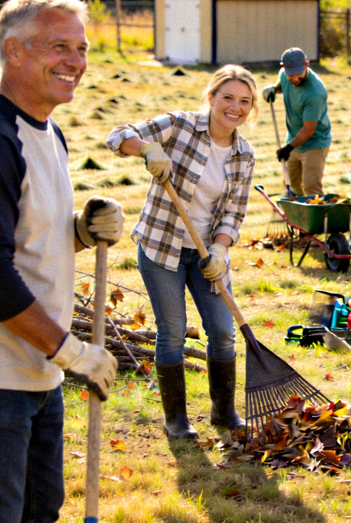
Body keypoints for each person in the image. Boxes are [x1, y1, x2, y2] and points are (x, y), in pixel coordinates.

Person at [0, 0, 123, 522]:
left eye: (82, 49)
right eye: (59, 47)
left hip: (37, 369)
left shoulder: (47, 130)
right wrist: (72, 352)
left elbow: (28, 241)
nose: (76, 63)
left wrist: (81, 232)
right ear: (14, 51)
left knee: (41, 512)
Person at [106, 65, 257, 440]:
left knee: (223, 331)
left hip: (206, 254)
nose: (234, 107)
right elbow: (117, 135)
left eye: (244, 101)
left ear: (252, 107)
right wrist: (148, 148)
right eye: (227, 97)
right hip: (163, 246)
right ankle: (176, 420)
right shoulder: (181, 125)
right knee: (172, 331)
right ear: (211, 97)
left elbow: (233, 213)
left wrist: (220, 252)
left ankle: (224, 413)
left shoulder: (243, 154)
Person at [261, 47, 331, 196]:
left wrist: (288, 148)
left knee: (311, 187)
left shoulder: (315, 93)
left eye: (299, 74)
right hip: (293, 140)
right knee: (292, 185)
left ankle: (317, 219)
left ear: (307, 64)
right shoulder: (284, 75)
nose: (295, 79)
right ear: (284, 68)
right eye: (290, 76)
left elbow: (308, 130)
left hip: (314, 144)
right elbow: (282, 84)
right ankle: (296, 218)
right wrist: (273, 89)